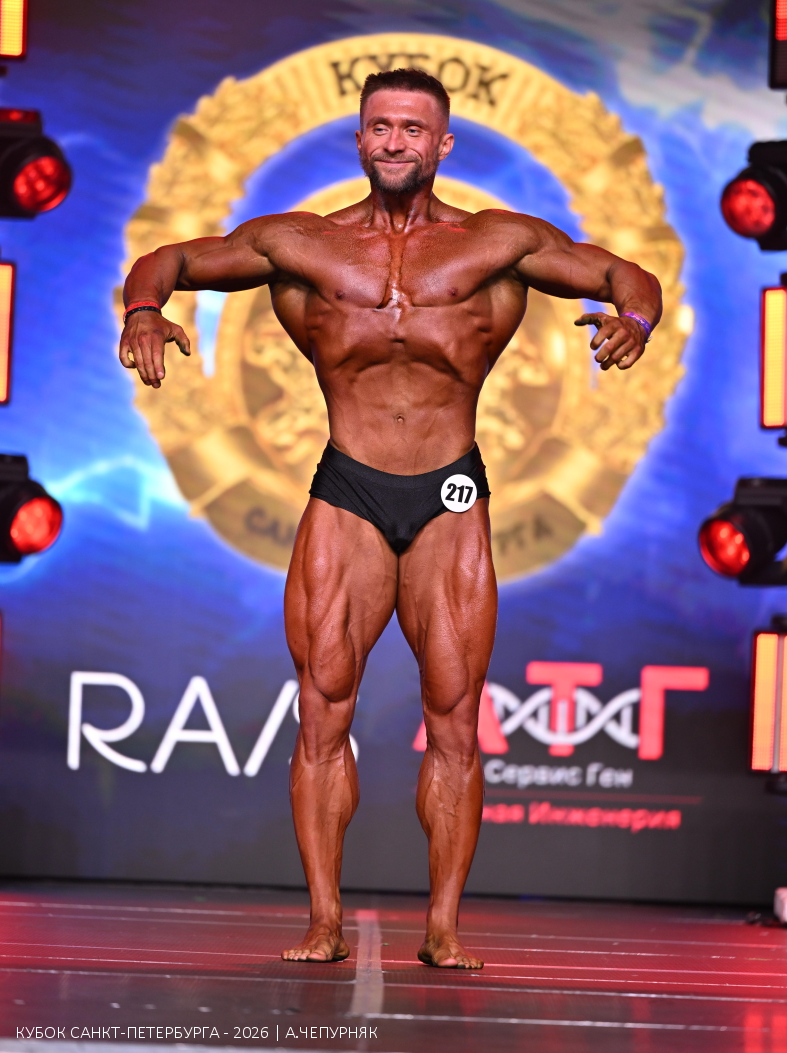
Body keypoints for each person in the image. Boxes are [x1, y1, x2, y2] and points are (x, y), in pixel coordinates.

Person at [120, 67, 661, 969]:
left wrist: (634, 319)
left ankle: (443, 928)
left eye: (414, 128)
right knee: (322, 706)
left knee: (454, 717)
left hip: (451, 490)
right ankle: (323, 921)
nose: (396, 140)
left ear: (443, 143)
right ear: (360, 139)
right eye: (381, 126)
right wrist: (144, 310)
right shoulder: (301, 243)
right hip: (350, 488)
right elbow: (172, 259)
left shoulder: (499, 242)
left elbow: (619, 272)